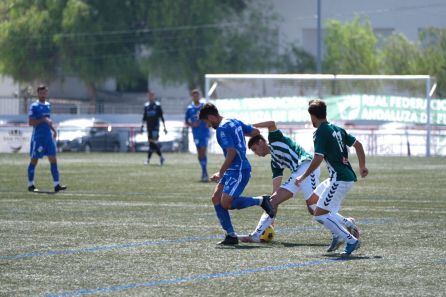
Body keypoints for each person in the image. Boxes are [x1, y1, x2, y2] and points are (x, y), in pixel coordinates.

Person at [295, 99, 368, 256]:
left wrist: (303, 176)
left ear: (313, 116)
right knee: (313, 202)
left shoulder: (320, 132)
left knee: (320, 214)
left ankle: (351, 240)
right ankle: (347, 224)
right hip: (338, 176)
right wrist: (362, 167)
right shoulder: (337, 129)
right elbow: (359, 145)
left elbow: (318, 158)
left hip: (340, 179)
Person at [198, 103, 275, 245]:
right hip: (232, 169)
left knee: (226, 203)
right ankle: (231, 235)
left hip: (239, 169)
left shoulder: (221, 129)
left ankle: (261, 200)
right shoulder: (233, 121)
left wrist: (221, 173)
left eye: (207, 122)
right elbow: (255, 132)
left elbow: (232, 152)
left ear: (210, 117)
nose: (208, 125)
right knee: (216, 198)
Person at [241, 120, 321, 243]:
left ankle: (347, 224)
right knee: (272, 201)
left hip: (308, 166)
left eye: (255, 149)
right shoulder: (275, 163)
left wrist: (250, 127)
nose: (256, 153)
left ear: (261, 142)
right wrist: (272, 217)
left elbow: (271, 123)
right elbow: (275, 192)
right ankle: (256, 235)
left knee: (315, 209)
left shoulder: (274, 139)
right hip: (298, 174)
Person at [27, 85, 67, 193]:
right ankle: (30, 185)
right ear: (38, 93)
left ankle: (56, 185)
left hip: (48, 138)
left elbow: (48, 121)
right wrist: (43, 119)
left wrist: (53, 130)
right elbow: (31, 122)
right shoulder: (34, 106)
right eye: (41, 92)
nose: (43, 94)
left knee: (53, 160)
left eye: (45, 92)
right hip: (38, 138)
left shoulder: (48, 105)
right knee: (34, 161)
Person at [184, 89, 210, 182]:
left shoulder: (204, 106)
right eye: (194, 95)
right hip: (196, 134)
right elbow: (186, 121)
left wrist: (208, 123)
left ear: (199, 96)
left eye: (197, 95)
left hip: (204, 133)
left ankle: (205, 173)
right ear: (192, 97)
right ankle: (204, 172)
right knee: (199, 154)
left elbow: (211, 117)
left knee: (203, 152)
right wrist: (192, 124)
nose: (196, 97)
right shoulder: (189, 108)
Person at [140, 91, 167, 165]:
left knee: (152, 142)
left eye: (152, 96)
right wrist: (142, 126)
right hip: (149, 127)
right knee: (152, 144)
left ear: (154, 96)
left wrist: (164, 127)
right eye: (149, 96)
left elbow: (161, 117)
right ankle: (161, 157)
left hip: (155, 127)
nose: (150, 97)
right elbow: (144, 117)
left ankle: (148, 160)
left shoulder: (157, 105)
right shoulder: (146, 106)